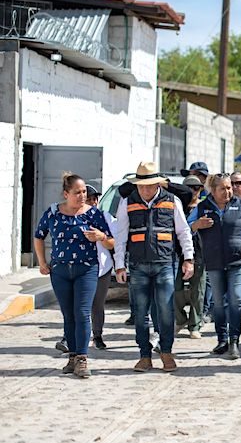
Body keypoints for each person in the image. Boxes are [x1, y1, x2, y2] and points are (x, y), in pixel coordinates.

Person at [114, 162, 195, 373]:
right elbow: (120, 235)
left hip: (165, 263)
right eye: (141, 185)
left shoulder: (172, 201)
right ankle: (144, 356)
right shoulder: (127, 203)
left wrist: (189, 258)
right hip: (138, 265)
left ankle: (166, 353)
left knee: (166, 311)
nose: (145, 190)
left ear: (158, 184)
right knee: (140, 313)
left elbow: (183, 232)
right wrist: (119, 265)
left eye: (149, 185)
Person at [34, 173, 114, 378]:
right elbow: (39, 236)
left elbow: (112, 242)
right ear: (66, 193)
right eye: (77, 192)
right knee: (68, 314)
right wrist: (42, 262)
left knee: (82, 312)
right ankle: (72, 357)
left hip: (86, 269)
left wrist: (101, 237)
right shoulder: (53, 212)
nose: (82, 196)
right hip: (60, 271)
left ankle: (82, 359)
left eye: (84, 192)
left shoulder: (94, 214)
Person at [188, 173, 241, 359]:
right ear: (213, 190)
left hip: (239, 260)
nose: (228, 191)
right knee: (218, 303)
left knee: (236, 299)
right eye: (223, 188)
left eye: (229, 187)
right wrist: (196, 225)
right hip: (214, 261)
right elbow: (185, 229)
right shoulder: (202, 207)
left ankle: (234, 340)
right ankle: (222, 340)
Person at [175, 175, 206, 339]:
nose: (194, 191)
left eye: (197, 188)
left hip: (199, 252)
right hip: (177, 252)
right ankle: (180, 319)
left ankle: (195, 324)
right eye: (190, 188)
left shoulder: (204, 207)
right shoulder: (176, 206)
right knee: (175, 288)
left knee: (198, 290)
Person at [85, 185, 115, 351]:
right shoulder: (74, 217)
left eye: (95, 198)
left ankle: (97, 335)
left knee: (98, 304)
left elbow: (113, 243)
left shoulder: (106, 217)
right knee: (79, 304)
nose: (93, 202)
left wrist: (101, 237)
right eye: (90, 198)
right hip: (81, 267)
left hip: (102, 267)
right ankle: (71, 337)